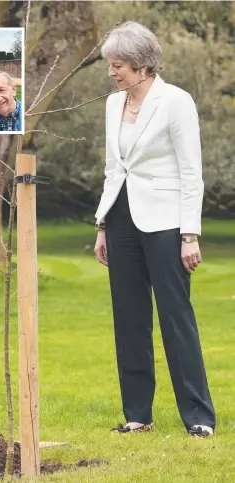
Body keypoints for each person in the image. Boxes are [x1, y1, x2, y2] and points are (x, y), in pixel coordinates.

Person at [94, 21, 215, 437]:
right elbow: (114, 168)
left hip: (166, 223)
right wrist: (102, 226)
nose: (113, 72)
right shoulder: (113, 104)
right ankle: (137, 415)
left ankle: (199, 418)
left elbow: (190, 171)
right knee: (128, 318)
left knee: (175, 317)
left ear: (144, 64)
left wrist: (189, 234)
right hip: (121, 218)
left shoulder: (176, 101)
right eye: (111, 64)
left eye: (120, 65)